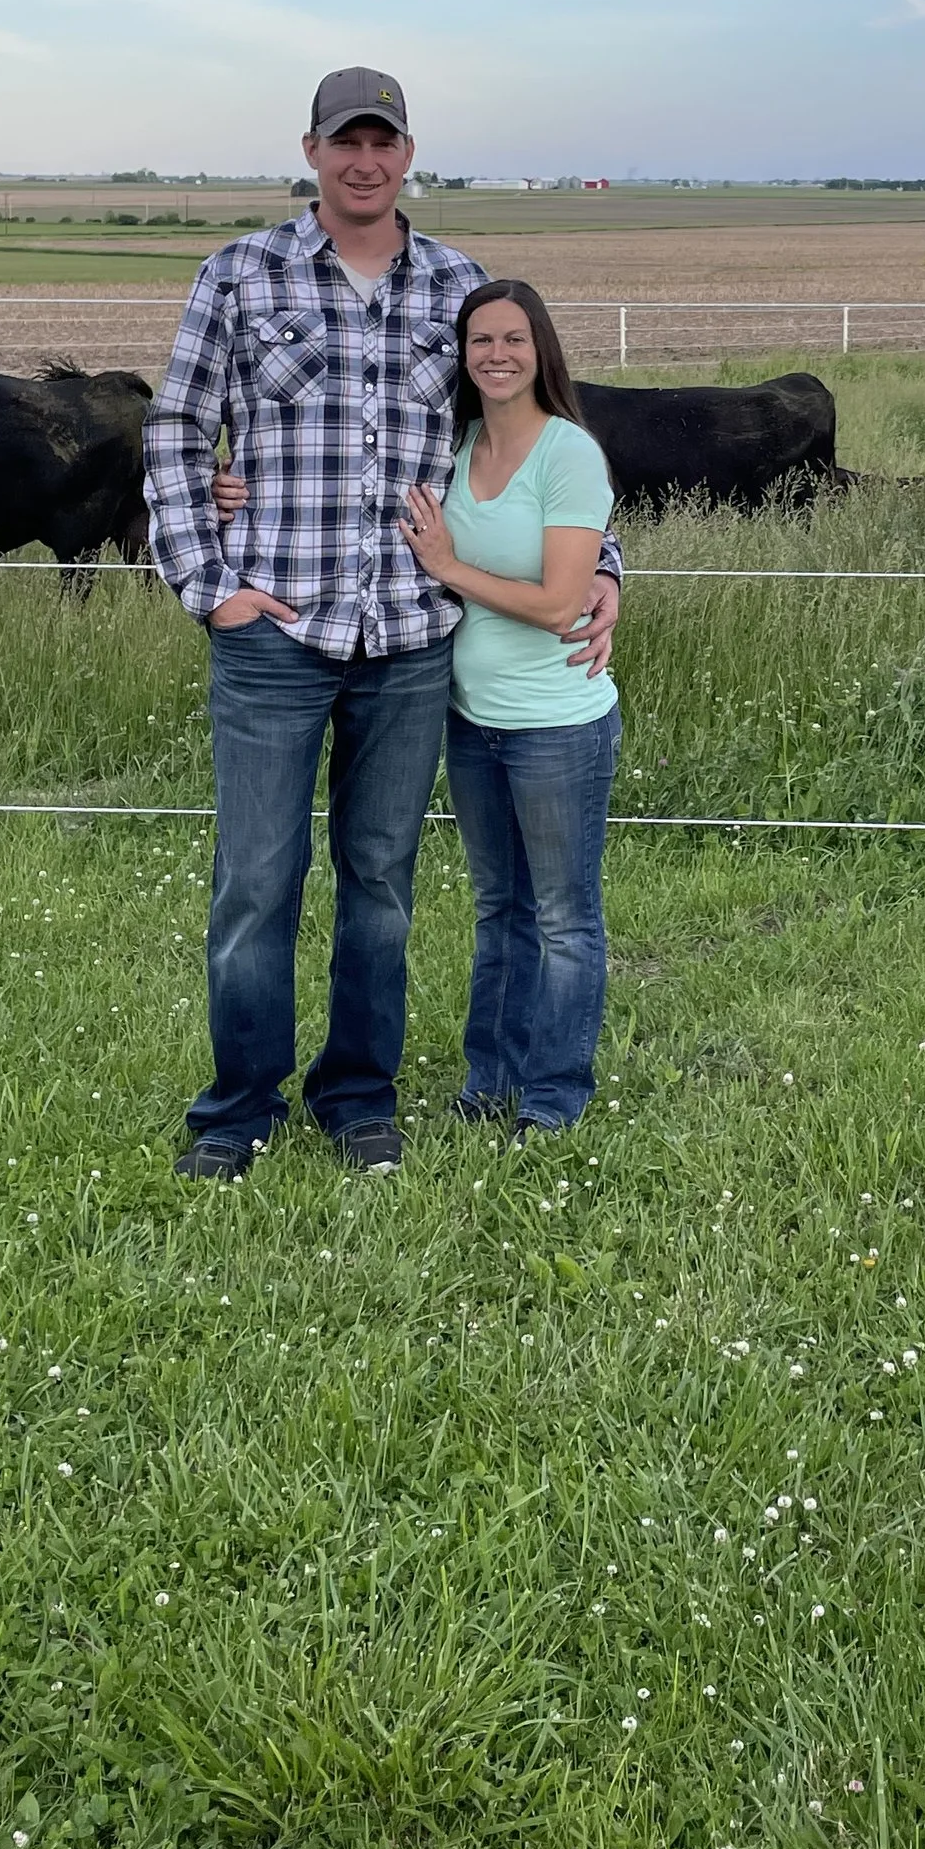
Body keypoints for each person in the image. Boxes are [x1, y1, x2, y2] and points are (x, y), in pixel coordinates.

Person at [143, 70, 619, 1181]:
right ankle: (237, 1110)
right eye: (344, 142)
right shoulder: (240, 273)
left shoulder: (457, 287)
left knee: (383, 882)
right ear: (310, 150)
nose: (365, 161)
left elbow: (533, 441)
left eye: (384, 142)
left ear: (410, 155)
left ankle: (358, 1098)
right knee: (256, 882)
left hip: (411, 640)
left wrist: (602, 565)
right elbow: (176, 431)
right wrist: (206, 584)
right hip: (275, 634)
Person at [397, 280, 619, 1135]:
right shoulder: (453, 450)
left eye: (514, 339)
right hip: (472, 717)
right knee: (500, 909)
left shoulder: (568, 454)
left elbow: (561, 602)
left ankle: (555, 1096)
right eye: (479, 339)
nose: (495, 354)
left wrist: (449, 567)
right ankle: (487, 1083)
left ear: (541, 350)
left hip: (557, 724)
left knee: (565, 917)